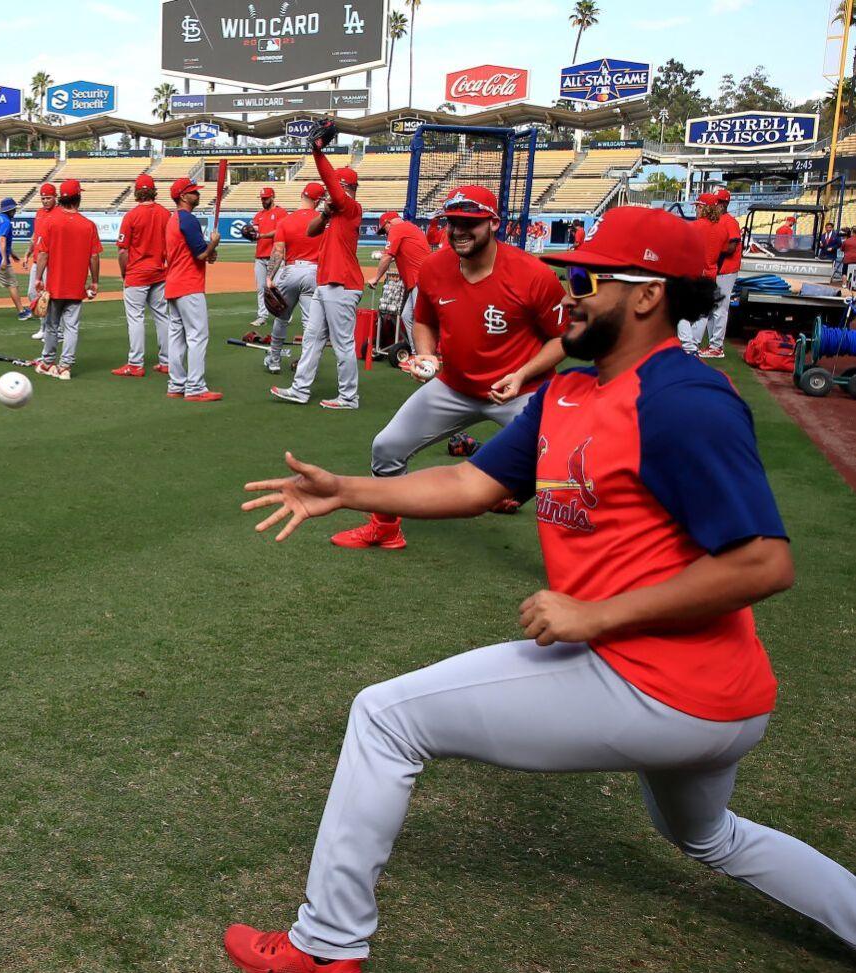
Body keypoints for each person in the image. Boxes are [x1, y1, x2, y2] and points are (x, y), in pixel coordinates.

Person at [224, 206, 856, 973]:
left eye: (588, 279)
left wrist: (596, 613)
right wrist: (349, 490)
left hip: (660, 684)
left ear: (648, 295)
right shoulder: (570, 390)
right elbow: (471, 477)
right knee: (707, 835)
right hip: (715, 700)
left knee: (385, 718)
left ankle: (324, 946)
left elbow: (763, 564)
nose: (571, 294)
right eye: (569, 276)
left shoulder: (683, 398)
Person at [331, 185, 566, 552]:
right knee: (386, 446)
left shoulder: (532, 274)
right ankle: (385, 528)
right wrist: (426, 354)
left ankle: (575, 554)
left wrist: (522, 373)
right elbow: (424, 321)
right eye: (452, 222)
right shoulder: (435, 266)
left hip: (522, 393)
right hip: (454, 386)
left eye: (469, 222)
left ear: (493, 223)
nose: (458, 230)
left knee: (565, 470)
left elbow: (561, 339)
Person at [273, 126, 362, 410]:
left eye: (336, 188)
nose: (329, 194)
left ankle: (349, 397)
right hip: (326, 282)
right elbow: (312, 232)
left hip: (343, 283)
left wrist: (317, 151)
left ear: (345, 189)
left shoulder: (350, 208)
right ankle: (300, 389)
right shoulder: (334, 212)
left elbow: (331, 183)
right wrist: (323, 211)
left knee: (342, 343)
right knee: (312, 339)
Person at [32, 178, 102, 381]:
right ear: (78, 198)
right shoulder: (88, 225)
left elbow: (43, 254)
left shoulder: (51, 222)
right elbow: (94, 256)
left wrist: (38, 278)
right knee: (71, 327)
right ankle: (65, 367)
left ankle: (47, 362)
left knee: (52, 325)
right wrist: (95, 281)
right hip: (76, 286)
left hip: (55, 284)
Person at [163, 176, 223, 402]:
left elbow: (197, 253)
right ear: (182, 196)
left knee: (177, 336)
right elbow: (201, 254)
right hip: (189, 284)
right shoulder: (188, 219)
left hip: (174, 283)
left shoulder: (173, 219)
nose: (197, 195)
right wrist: (214, 244)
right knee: (197, 335)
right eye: (193, 192)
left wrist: (209, 251)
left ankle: (176, 384)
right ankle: (195, 387)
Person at [113, 172, 175, 378]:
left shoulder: (131, 216)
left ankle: (136, 363)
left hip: (137, 273)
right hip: (159, 272)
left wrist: (125, 273)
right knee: (162, 316)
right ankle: (167, 361)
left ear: (137, 193)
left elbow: (123, 250)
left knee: (136, 319)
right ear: (153, 192)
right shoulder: (166, 214)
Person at [260, 182, 326, 375]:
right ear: (319, 201)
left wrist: (269, 277)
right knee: (309, 323)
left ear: (302, 196)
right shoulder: (322, 221)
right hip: (314, 272)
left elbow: (278, 251)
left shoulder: (286, 220)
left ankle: (273, 360)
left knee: (281, 317)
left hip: (291, 270)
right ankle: (305, 366)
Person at [368, 212, 429, 347]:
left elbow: (387, 257)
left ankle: (425, 354)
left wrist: (376, 278)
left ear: (388, 223)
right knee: (407, 316)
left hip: (421, 279)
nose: (385, 234)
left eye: (384, 230)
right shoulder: (409, 228)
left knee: (420, 318)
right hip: (418, 279)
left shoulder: (397, 229)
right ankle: (415, 353)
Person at [678, 195, 727, 357]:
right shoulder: (722, 228)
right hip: (711, 272)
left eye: (698, 206)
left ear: (704, 208)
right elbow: (725, 250)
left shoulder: (695, 226)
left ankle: (688, 344)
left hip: (693, 271)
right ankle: (694, 345)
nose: (696, 209)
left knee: (681, 308)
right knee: (702, 312)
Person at [699, 187, 743, 359]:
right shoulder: (717, 220)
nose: (716, 204)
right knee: (712, 307)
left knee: (720, 308)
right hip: (718, 269)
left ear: (725, 203)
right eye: (715, 201)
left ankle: (717, 347)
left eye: (718, 202)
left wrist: (714, 251)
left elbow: (732, 246)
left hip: (726, 269)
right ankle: (712, 345)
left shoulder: (729, 221)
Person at [244, 187, 288, 341]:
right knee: (261, 287)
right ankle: (262, 316)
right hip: (260, 255)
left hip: (275, 255)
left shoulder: (281, 213)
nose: (263, 201)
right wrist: (248, 232)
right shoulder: (259, 215)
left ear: (272, 197)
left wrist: (261, 235)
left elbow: (280, 231)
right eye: (262, 198)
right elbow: (254, 231)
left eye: (266, 198)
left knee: (277, 287)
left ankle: (283, 315)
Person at [25, 182, 60, 335]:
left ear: (55, 197)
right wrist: (28, 252)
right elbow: (35, 235)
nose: (45, 201)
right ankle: (43, 326)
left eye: (48, 198)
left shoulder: (59, 213)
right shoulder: (39, 213)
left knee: (49, 296)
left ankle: (54, 329)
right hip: (37, 259)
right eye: (43, 198)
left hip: (51, 261)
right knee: (33, 293)